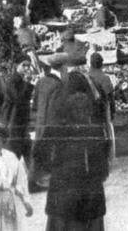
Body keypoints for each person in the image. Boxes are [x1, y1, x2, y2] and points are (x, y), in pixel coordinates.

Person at [42, 92, 109, 231]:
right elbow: (41, 152)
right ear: (69, 112)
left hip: (90, 193)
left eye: (85, 110)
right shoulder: (58, 130)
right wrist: (55, 172)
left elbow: (103, 159)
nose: (82, 114)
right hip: (65, 193)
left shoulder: (96, 130)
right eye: (77, 110)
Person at [31, 55, 66, 192]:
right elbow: (57, 108)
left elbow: (34, 105)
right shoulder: (59, 84)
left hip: (41, 122)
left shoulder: (41, 81)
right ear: (63, 67)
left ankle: (35, 180)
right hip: (53, 123)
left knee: (38, 149)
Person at [0, 61, 34, 160]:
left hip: (20, 120)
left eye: (28, 65)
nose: (27, 68)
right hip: (12, 119)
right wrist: (27, 83)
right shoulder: (12, 80)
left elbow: (26, 97)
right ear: (16, 66)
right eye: (24, 65)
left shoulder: (21, 80)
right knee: (13, 152)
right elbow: (18, 98)